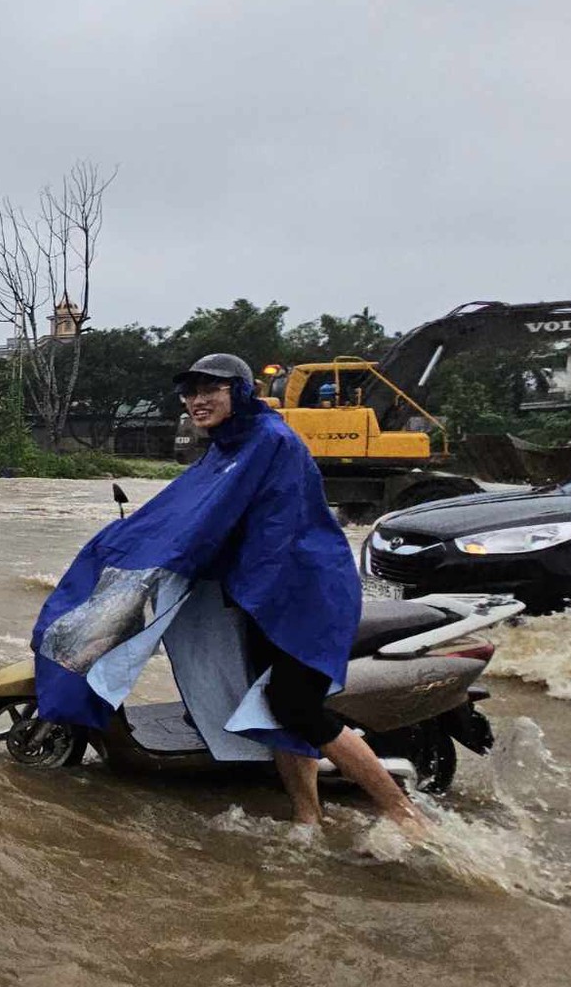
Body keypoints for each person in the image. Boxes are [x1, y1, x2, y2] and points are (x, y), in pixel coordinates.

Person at [34, 353, 425, 835]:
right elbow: (186, 509)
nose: (197, 401)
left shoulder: (269, 441)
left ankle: (403, 813)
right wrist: (128, 538)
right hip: (259, 596)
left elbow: (211, 522)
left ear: (238, 392)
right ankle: (308, 819)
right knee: (271, 706)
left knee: (296, 707)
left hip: (302, 595)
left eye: (210, 390)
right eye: (190, 392)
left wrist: (149, 550)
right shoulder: (227, 447)